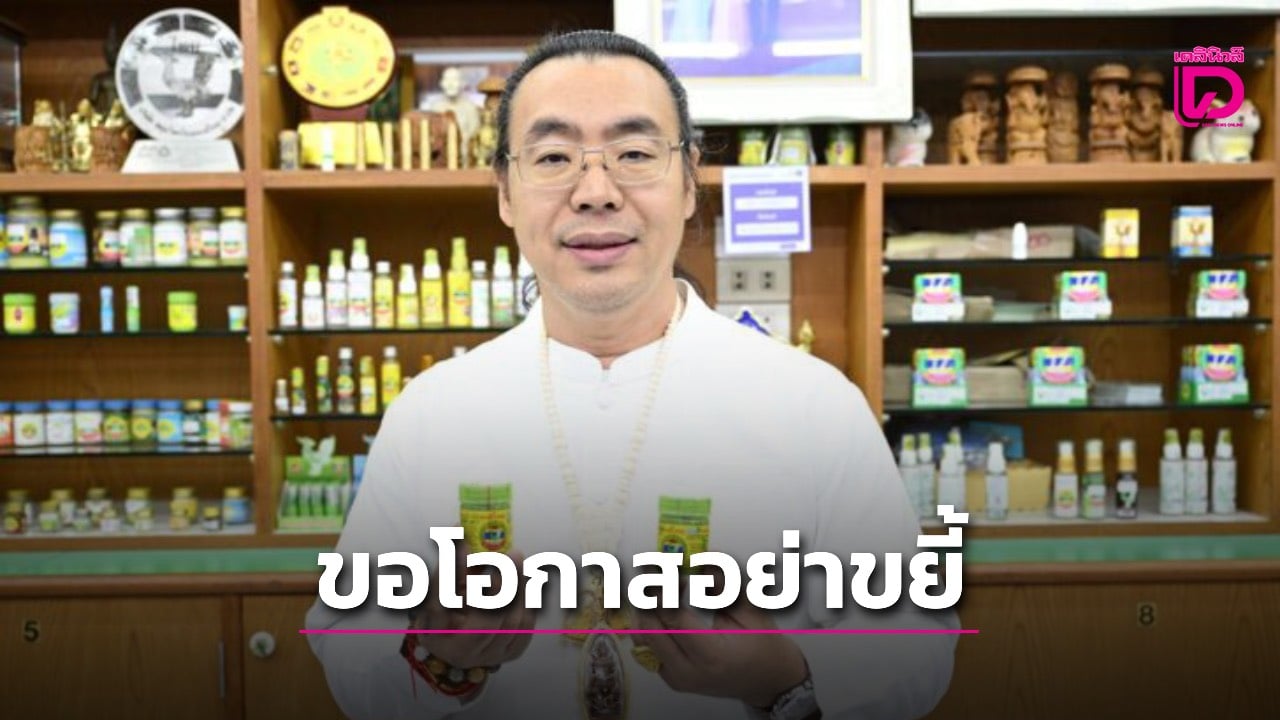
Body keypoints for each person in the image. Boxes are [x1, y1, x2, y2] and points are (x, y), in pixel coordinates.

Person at [306, 29, 958, 720]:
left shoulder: (814, 406)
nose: (596, 191)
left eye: (636, 154)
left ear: (689, 182)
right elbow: (348, 651)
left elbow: (917, 652)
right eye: (553, 157)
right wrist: (439, 662)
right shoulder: (432, 413)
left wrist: (784, 679)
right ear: (505, 192)